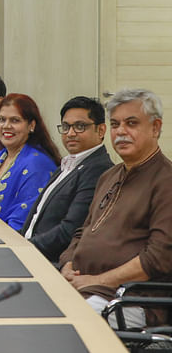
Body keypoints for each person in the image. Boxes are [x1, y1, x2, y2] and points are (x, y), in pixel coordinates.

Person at [59, 89, 172, 329]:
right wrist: (68, 265)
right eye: (115, 124)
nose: (121, 132)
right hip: (83, 287)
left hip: (128, 299)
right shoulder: (109, 176)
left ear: (155, 127)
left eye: (131, 123)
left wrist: (96, 281)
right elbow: (83, 231)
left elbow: (156, 259)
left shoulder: (166, 181)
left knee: (64, 329)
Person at [21, 96, 113, 263]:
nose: (70, 133)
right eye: (66, 127)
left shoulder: (98, 169)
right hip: (30, 252)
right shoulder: (69, 163)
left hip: (51, 262)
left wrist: (24, 248)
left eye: (80, 126)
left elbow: (69, 230)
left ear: (101, 131)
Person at [0, 94, 60, 231]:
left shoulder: (37, 164)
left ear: (31, 125)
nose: (6, 126)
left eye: (15, 120)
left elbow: (22, 221)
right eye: (1, 120)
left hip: (11, 245)